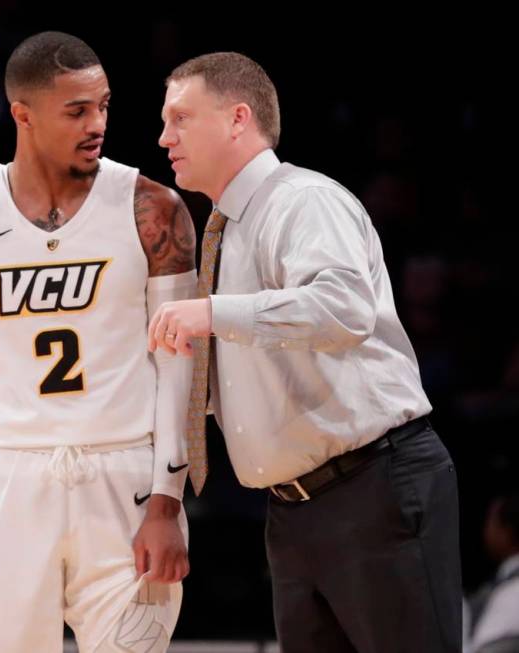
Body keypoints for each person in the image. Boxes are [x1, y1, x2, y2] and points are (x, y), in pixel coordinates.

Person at [148, 51, 462, 652]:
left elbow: (344, 309)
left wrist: (212, 313)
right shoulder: (228, 225)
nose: (165, 137)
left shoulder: (303, 200)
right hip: (294, 508)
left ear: (238, 118)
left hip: (371, 486)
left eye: (181, 118)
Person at [0, 31, 197, 653]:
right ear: (22, 115)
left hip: (124, 474)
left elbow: (182, 366)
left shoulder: (153, 209)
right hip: (7, 474)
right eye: (77, 111)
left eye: (104, 105)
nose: (98, 124)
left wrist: (168, 501)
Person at [466, 487, 519, 653]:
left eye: (490, 522)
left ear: (506, 532)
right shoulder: (502, 584)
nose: (485, 531)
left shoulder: (512, 591)